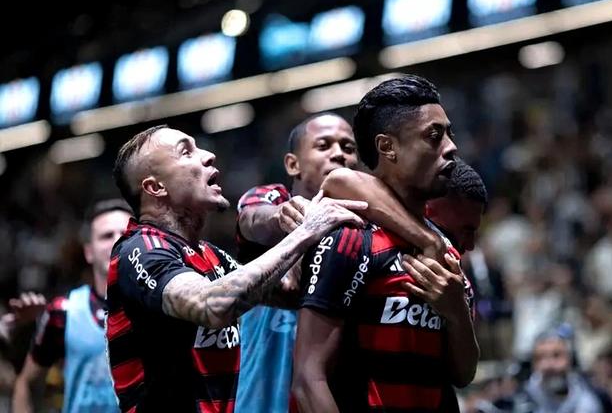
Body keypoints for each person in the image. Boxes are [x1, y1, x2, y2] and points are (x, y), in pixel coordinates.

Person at [106, 125, 367, 412]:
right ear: (156, 188)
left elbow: (291, 294)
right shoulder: (139, 248)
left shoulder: (211, 256)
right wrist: (305, 231)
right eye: (186, 152)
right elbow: (211, 306)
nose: (208, 155)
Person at [236, 113, 473, 412]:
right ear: (293, 164)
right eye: (324, 145)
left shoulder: (367, 229)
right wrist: (282, 216)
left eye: (348, 148)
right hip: (266, 391)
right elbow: (250, 218)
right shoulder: (272, 198)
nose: (339, 153)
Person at [292, 75, 479, 412]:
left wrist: (456, 313)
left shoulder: (446, 250)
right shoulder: (350, 238)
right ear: (388, 147)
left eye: (449, 134)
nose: (451, 147)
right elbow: (308, 378)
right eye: (434, 136)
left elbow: (462, 374)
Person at [13, 199, 133, 413]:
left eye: (125, 235)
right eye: (106, 236)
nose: (117, 242)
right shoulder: (64, 312)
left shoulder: (159, 308)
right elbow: (26, 384)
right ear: (89, 251)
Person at [514, 325, 604, 413]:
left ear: (571, 360)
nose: (549, 365)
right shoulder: (519, 399)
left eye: (556, 355)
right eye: (540, 358)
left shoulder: (587, 402)